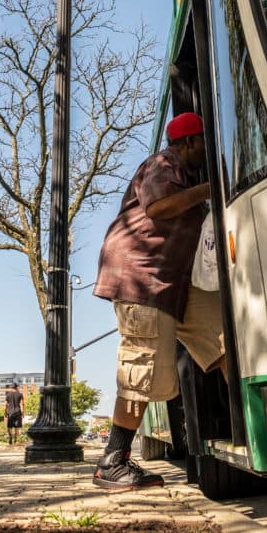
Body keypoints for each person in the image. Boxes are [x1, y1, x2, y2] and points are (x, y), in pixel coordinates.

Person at [90, 111, 226, 491]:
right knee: (143, 365)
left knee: (226, 341)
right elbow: (158, 208)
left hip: (177, 282)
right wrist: (210, 189)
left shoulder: (185, 172)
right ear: (188, 142)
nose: (207, 152)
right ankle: (112, 462)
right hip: (143, 279)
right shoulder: (163, 164)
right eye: (204, 143)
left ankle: (255, 429)